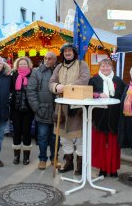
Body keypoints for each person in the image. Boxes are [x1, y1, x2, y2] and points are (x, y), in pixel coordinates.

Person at [49, 42, 90, 174]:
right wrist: (56, 87)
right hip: (61, 106)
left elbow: (84, 79)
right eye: (65, 51)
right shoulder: (59, 67)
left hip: (77, 106)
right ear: (63, 54)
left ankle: (80, 164)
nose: (67, 53)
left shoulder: (81, 64)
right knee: (63, 136)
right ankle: (69, 162)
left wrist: (66, 87)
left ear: (74, 53)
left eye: (70, 51)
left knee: (78, 136)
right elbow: (51, 82)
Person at [88, 58, 125, 177]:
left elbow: (123, 96)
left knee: (114, 145)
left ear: (112, 68)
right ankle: (102, 168)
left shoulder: (118, 81)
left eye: (108, 66)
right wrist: (97, 95)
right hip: (99, 117)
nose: (105, 68)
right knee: (100, 144)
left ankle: (113, 169)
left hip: (115, 117)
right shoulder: (93, 80)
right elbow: (88, 95)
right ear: (99, 68)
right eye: (103, 66)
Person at [27, 52, 59, 170]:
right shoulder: (37, 72)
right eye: (45, 58)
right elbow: (31, 91)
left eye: (50, 58)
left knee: (55, 138)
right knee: (42, 137)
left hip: (57, 111)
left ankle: (54, 157)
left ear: (55, 60)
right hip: (42, 110)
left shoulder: (60, 71)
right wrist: (37, 108)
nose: (47, 60)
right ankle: (42, 159)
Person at [11, 57, 34, 165]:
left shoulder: (33, 76)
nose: (23, 66)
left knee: (26, 133)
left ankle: (26, 157)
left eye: (25, 64)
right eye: (21, 64)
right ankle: (16, 156)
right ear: (17, 65)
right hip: (16, 109)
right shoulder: (13, 75)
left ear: (28, 65)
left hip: (28, 110)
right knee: (16, 132)